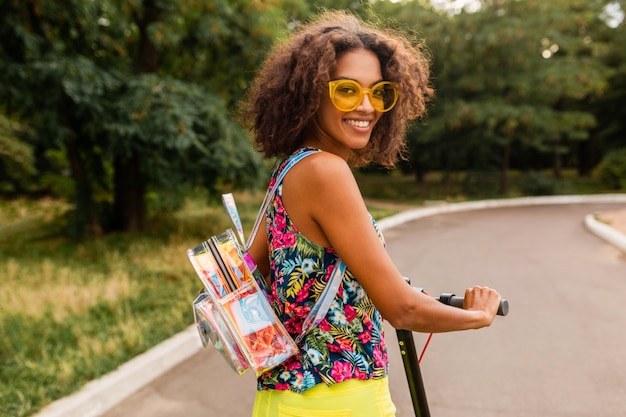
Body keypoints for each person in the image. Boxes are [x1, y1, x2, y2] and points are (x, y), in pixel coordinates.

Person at [242, 10, 502, 417]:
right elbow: (401, 309)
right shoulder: (327, 172)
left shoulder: (292, 169)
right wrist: (477, 315)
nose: (366, 106)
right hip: (338, 401)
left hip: (284, 399)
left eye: (379, 92)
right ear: (312, 93)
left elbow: (258, 275)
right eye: (347, 90)